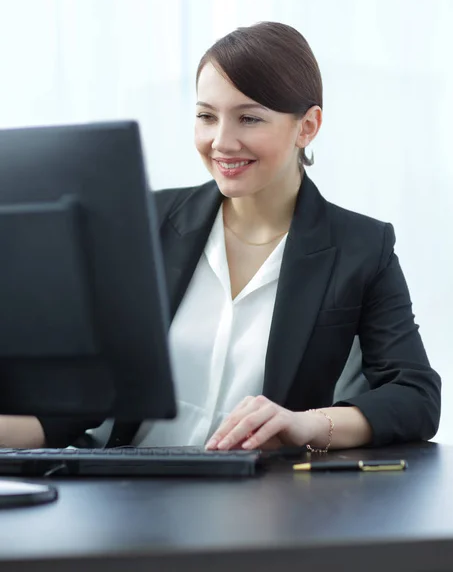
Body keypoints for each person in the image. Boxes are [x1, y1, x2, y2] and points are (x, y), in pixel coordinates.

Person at [0, 22, 441, 451]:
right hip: (131, 499)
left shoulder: (361, 247)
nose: (221, 142)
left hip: (263, 507)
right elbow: (76, 400)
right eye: (206, 117)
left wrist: (304, 424)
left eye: (249, 118)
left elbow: (415, 394)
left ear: (306, 127)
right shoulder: (146, 222)